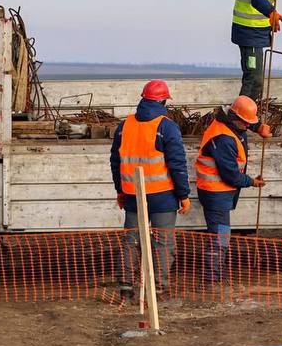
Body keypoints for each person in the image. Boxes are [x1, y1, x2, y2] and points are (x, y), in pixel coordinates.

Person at [110, 80, 191, 301]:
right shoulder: (166, 127)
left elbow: (115, 161)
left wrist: (120, 190)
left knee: (130, 241)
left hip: (132, 194)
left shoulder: (125, 125)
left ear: (143, 98)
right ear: (163, 101)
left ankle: (126, 289)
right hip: (162, 196)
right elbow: (177, 164)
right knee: (163, 243)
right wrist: (183, 195)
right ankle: (158, 291)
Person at [195, 96, 267, 283]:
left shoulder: (229, 122)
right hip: (216, 193)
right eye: (246, 123)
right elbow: (231, 175)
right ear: (236, 118)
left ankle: (216, 274)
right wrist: (251, 181)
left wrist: (257, 127)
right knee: (220, 239)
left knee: (220, 237)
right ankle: (213, 279)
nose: (247, 126)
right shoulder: (224, 138)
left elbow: (244, 121)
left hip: (218, 193)